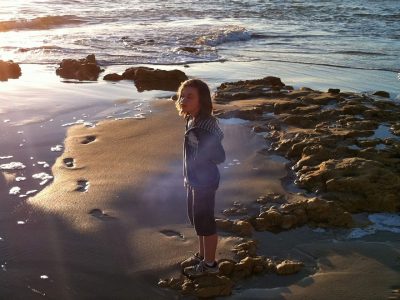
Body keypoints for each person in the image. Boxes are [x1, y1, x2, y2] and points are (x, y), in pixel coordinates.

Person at [174, 78, 226, 277]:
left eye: (190, 96)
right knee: (197, 220)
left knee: (206, 222)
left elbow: (220, 156)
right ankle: (202, 256)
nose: (183, 100)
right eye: (182, 96)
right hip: (194, 179)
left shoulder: (203, 127)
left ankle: (211, 265)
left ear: (201, 100)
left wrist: (204, 148)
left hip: (204, 181)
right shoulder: (191, 119)